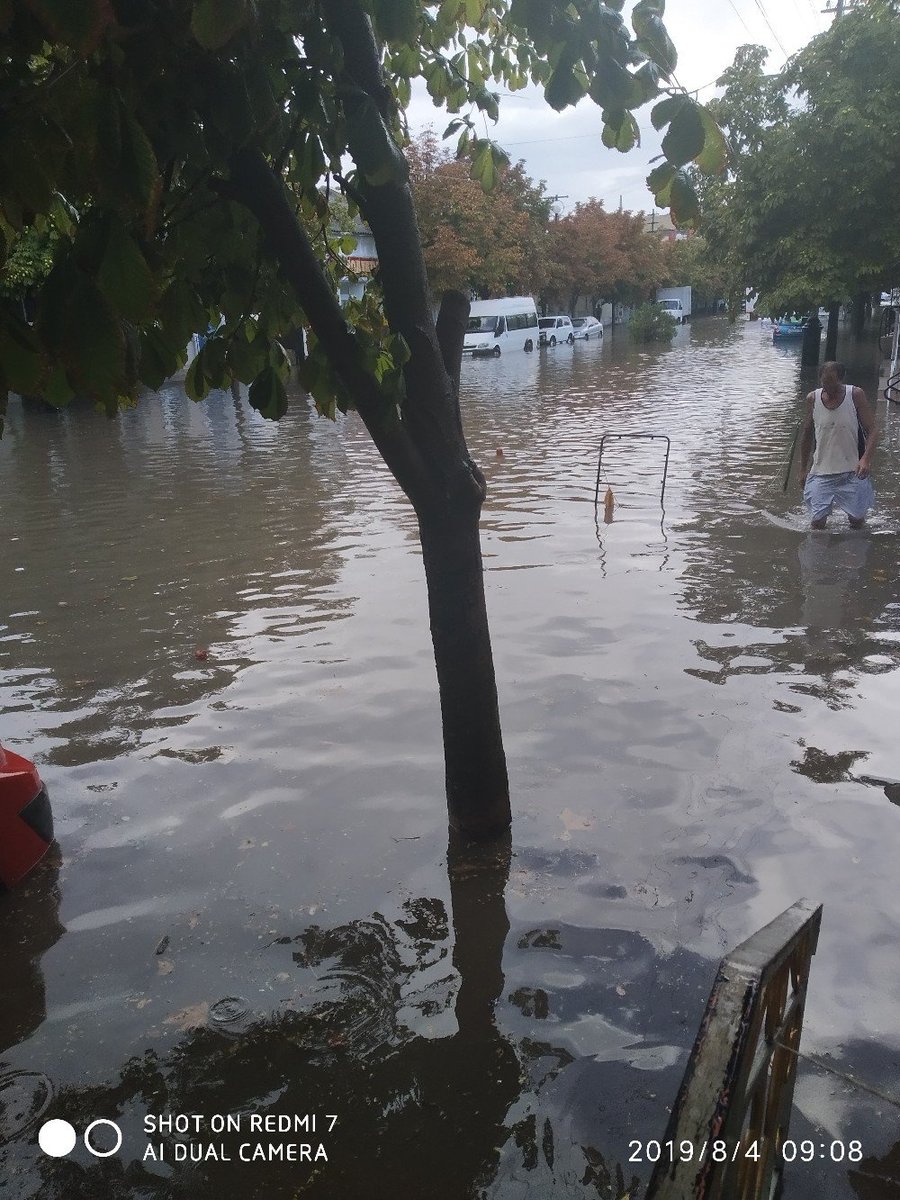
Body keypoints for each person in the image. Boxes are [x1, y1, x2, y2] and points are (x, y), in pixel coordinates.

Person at [799, 361, 877, 529]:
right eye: (825, 383)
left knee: (856, 522)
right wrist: (803, 469)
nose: (828, 388)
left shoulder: (855, 395)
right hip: (821, 470)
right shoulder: (813, 398)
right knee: (817, 522)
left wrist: (865, 459)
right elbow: (806, 434)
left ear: (841, 379)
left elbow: (872, 430)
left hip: (852, 469)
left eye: (832, 383)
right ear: (820, 380)